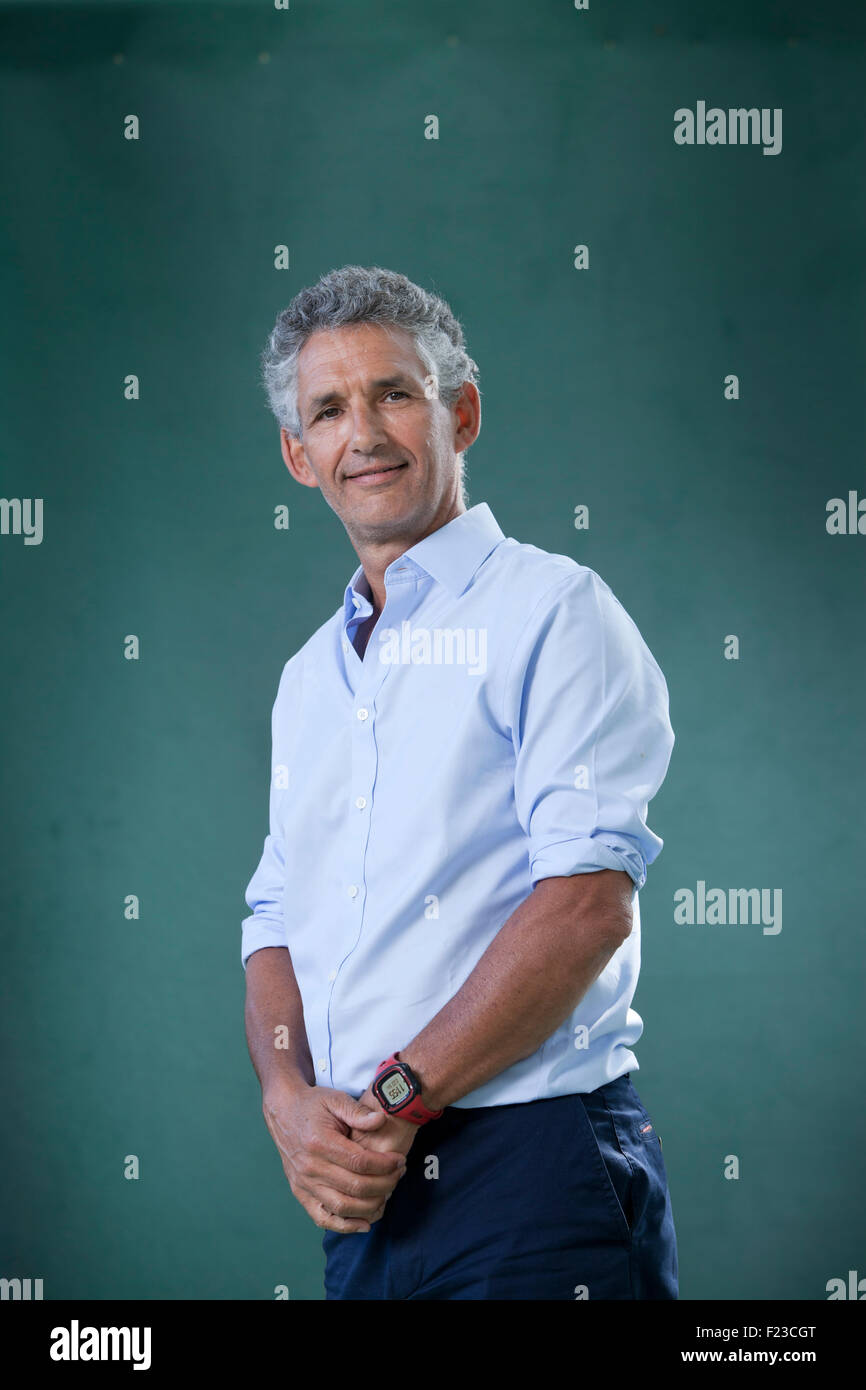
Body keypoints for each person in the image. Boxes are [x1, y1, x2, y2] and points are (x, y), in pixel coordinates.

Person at [241, 264, 678, 1300]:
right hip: (363, 1190)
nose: (367, 433)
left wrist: (391, 1100)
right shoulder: (309, 678)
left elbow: (583, 907)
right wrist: (289, 1103)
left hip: (530, 1173)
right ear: (298, 456)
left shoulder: (554, 612)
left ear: (461, 413)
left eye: (395, 392)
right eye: (329, 410)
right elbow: (272, 920)